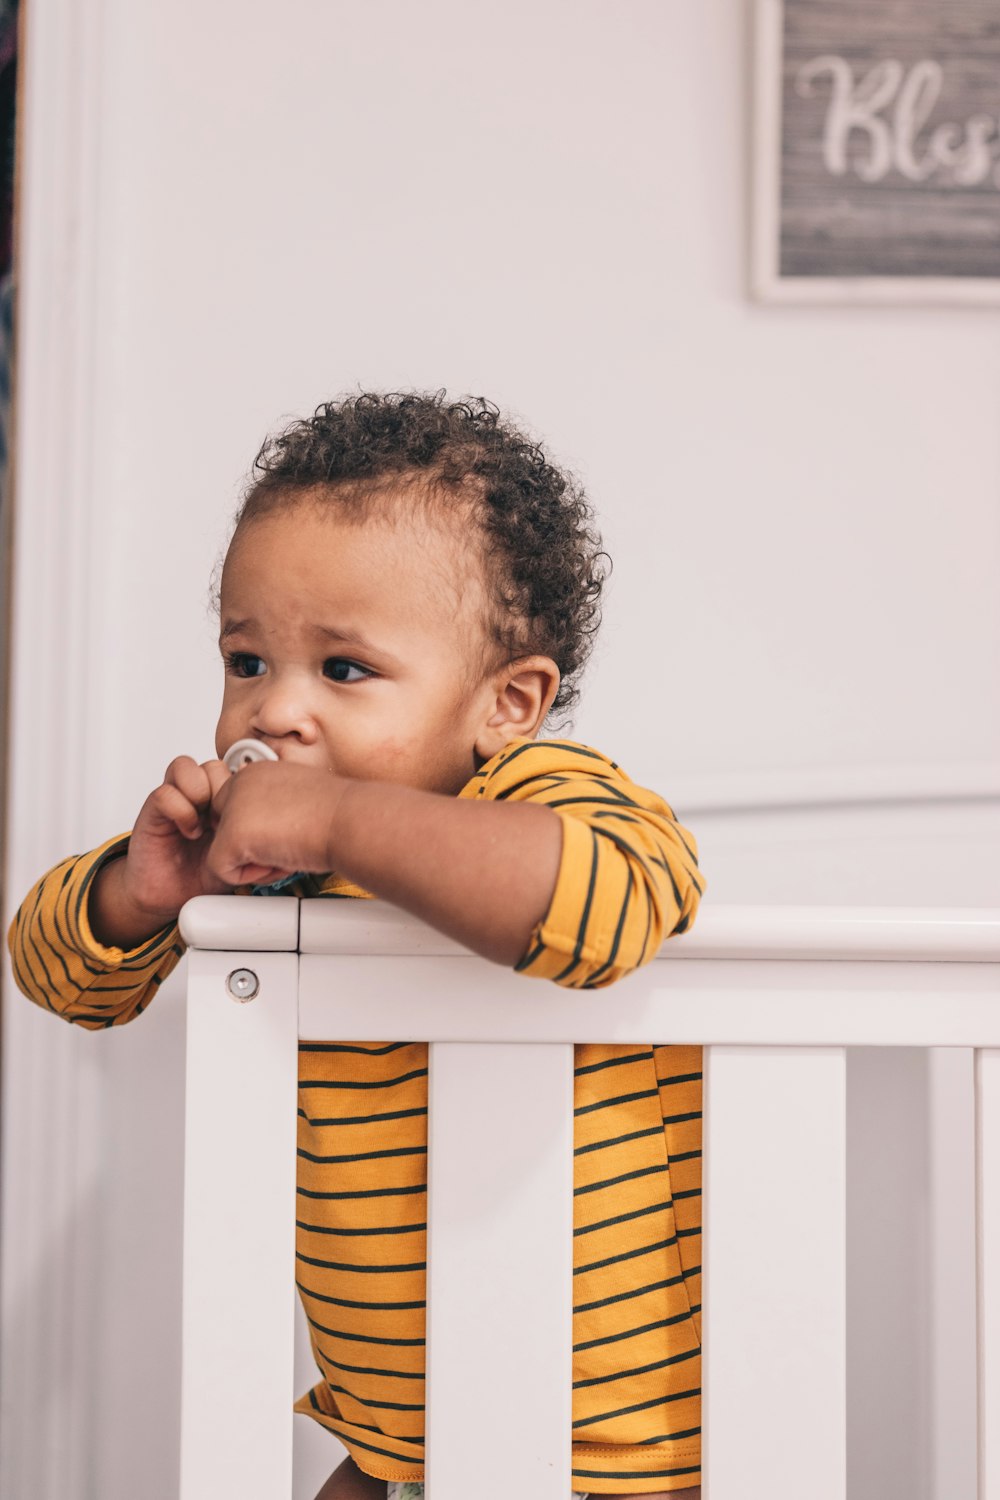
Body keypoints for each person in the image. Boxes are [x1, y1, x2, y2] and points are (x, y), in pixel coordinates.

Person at [8, 392, 705, 1500]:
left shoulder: (534, 795)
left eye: (342, 671)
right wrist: (147, 893)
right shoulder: (264, 862)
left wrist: (334, 822)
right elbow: (56, 975)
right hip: (396, 1437)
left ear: (506, 703)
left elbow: (609, 904)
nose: (274, 712)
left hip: (609, 1444)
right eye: (247, 662)